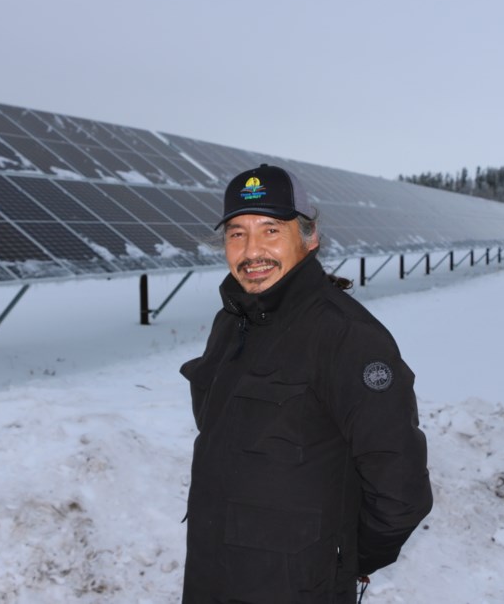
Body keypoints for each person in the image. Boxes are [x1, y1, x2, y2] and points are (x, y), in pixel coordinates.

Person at [180, 164, 433, 603]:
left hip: (294, 586)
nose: (251, 250)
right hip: (212, 575)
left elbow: (400, 489)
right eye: (237, 234)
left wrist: (340, 560)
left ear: (309, 238)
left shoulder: (346, 336)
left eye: (271, 230)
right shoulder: (232, 322)